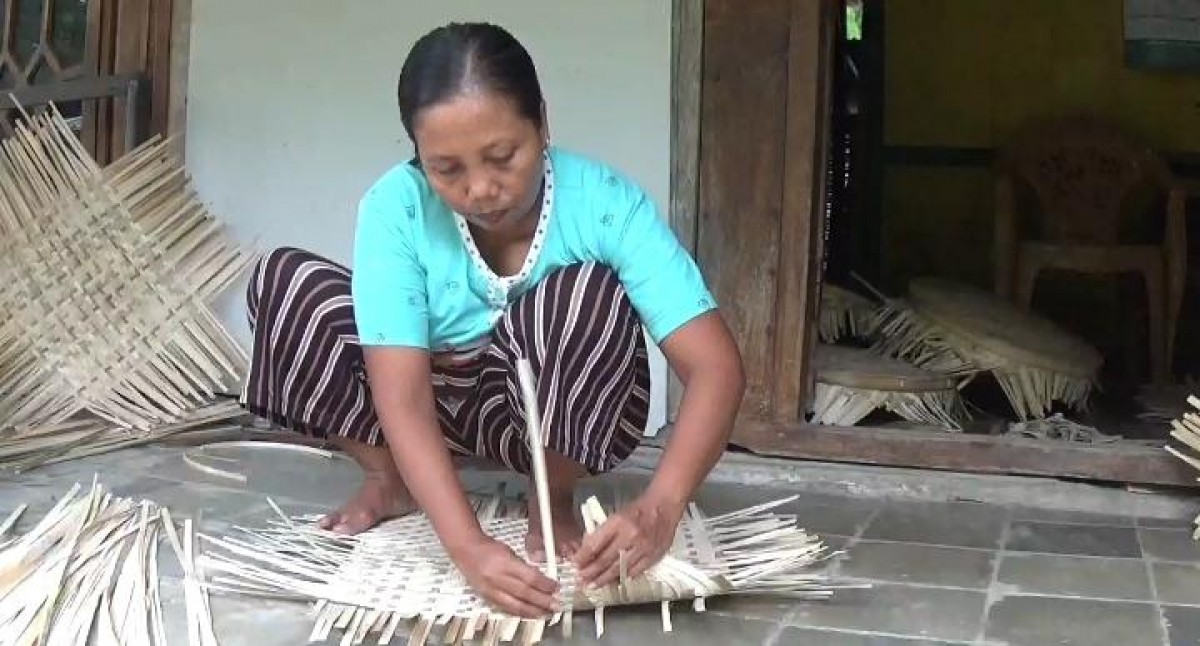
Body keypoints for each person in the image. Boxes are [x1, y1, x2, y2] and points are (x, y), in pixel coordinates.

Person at [240, 21, 744, 619]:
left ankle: (549, 491)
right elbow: (400, 397)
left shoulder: (604, 203)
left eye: (503, 156)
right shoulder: (395, 207)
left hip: (537, 407)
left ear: (543, 126)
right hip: (431, 402)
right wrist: (467, 547)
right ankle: (390, 477)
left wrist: (661, 504)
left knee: (584, 293)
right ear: (416, 156)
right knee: (287, 281)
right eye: (446, 169)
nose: (480, 188)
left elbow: (715, 367)